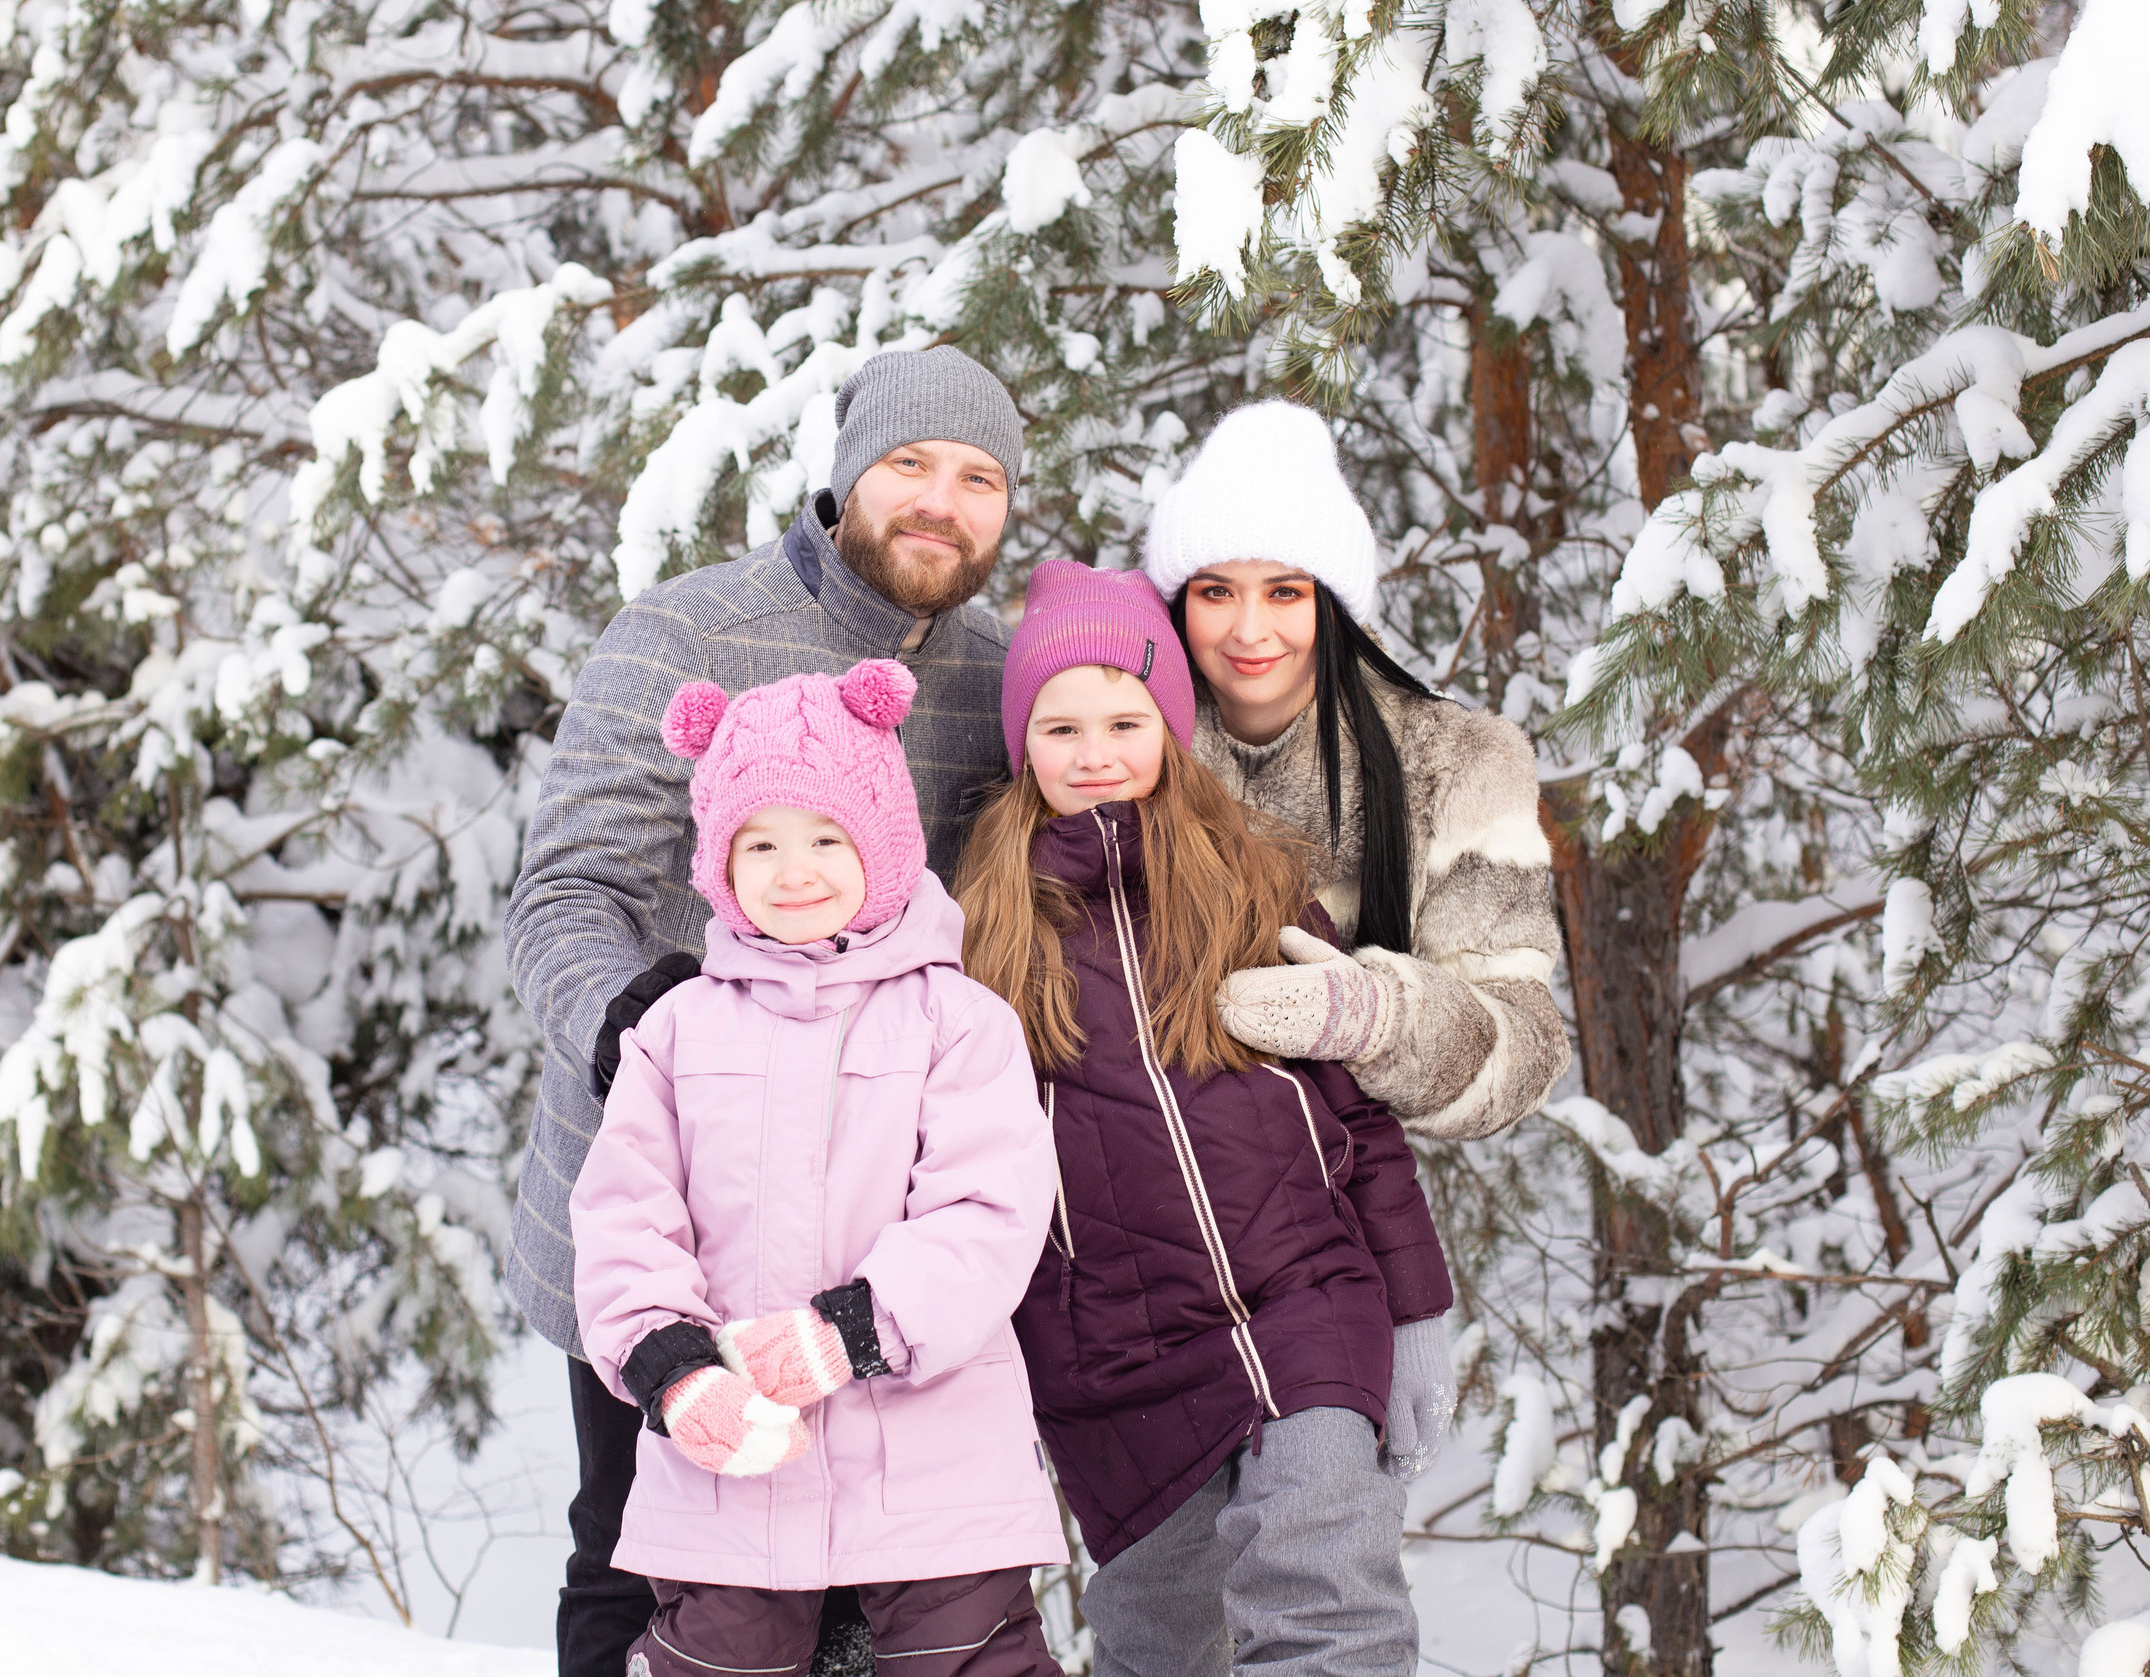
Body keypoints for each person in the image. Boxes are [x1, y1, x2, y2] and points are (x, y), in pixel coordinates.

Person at [502, 346, 1026, 1672]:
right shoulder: (689, 632)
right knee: (649, 1559)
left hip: (877, 1240)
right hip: (672, 1206)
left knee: (877, 1599)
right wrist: (647, 1030)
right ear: (844, 476)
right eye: (910, 463)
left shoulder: (994, 678)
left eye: (979, 478)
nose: (941, 501)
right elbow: (564, 890)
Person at [954, 561, 1455, 1677]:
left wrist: (1418, 1307)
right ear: (1023, 743)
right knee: (1161, 1642)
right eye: (1061, 727)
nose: (1095, 753)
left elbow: (1360, 1118)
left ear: (1172, 729)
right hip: (1110, 1358)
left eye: (1125, 722)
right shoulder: (978, 929)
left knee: (1331, 1598)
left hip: (1306, 1303)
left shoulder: (1254, 885)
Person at [569, 660, 1066, 1677]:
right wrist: (672, 1369)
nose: (794, 870)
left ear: (881, 840)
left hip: (935, 1470)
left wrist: (853, 1332)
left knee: (968, 1661)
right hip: (732, 1475)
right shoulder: (676, 1030)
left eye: (827, 838)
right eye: (760, 843)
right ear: (720, 861)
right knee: (719, 1661)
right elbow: (625, 1217)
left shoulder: (956, 1022)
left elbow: (987, 1212)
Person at [1139, 400, 1570, 1143]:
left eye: (1284, 592)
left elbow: (1525, 1052)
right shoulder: (1122, 741)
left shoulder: (1457, 766)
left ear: (1334, 607)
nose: (1248, 629)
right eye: (1216, 591)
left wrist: (1378, 1021)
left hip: (1339, 1187)